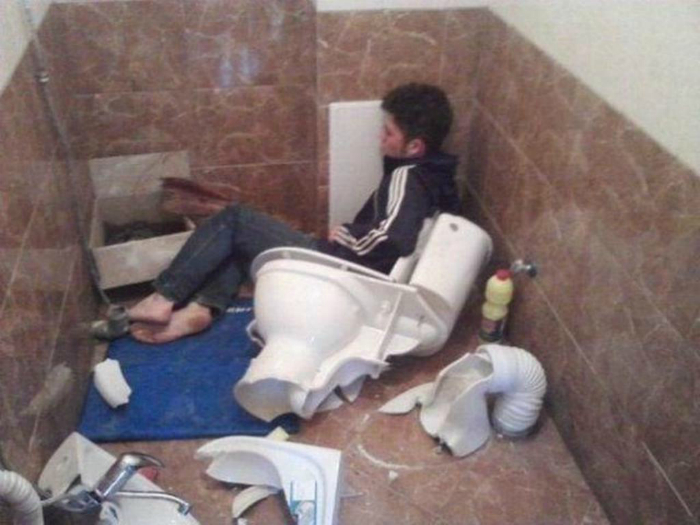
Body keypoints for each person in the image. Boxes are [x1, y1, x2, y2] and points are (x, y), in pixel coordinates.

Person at [128, 83, 461, 343]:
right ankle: (201, 308)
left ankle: (164, 295)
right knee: (242, 245)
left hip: (343, 265)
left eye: (388, 132)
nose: (380, 138)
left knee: (233, 219)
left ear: (414, 146)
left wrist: (346, 234)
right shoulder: (435, 175)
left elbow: (394, 238)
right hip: (357, 268)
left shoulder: (408, 176)